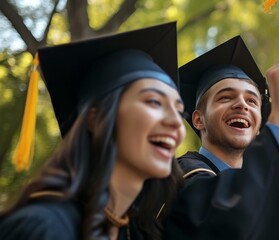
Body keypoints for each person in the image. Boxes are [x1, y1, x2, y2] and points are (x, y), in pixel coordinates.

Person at [0, 22, 184, 240]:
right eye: (154, 102)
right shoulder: (42, 228)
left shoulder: (137, 231)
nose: (176, 123)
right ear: (96, 119)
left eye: (180, 111)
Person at [165, 36, 279, 239]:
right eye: (226, 97)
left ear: (257, 127)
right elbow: (230, 221)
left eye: (252, 101)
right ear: (198, 119)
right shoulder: (184, 175)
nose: (242, 105)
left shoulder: (267, 188)